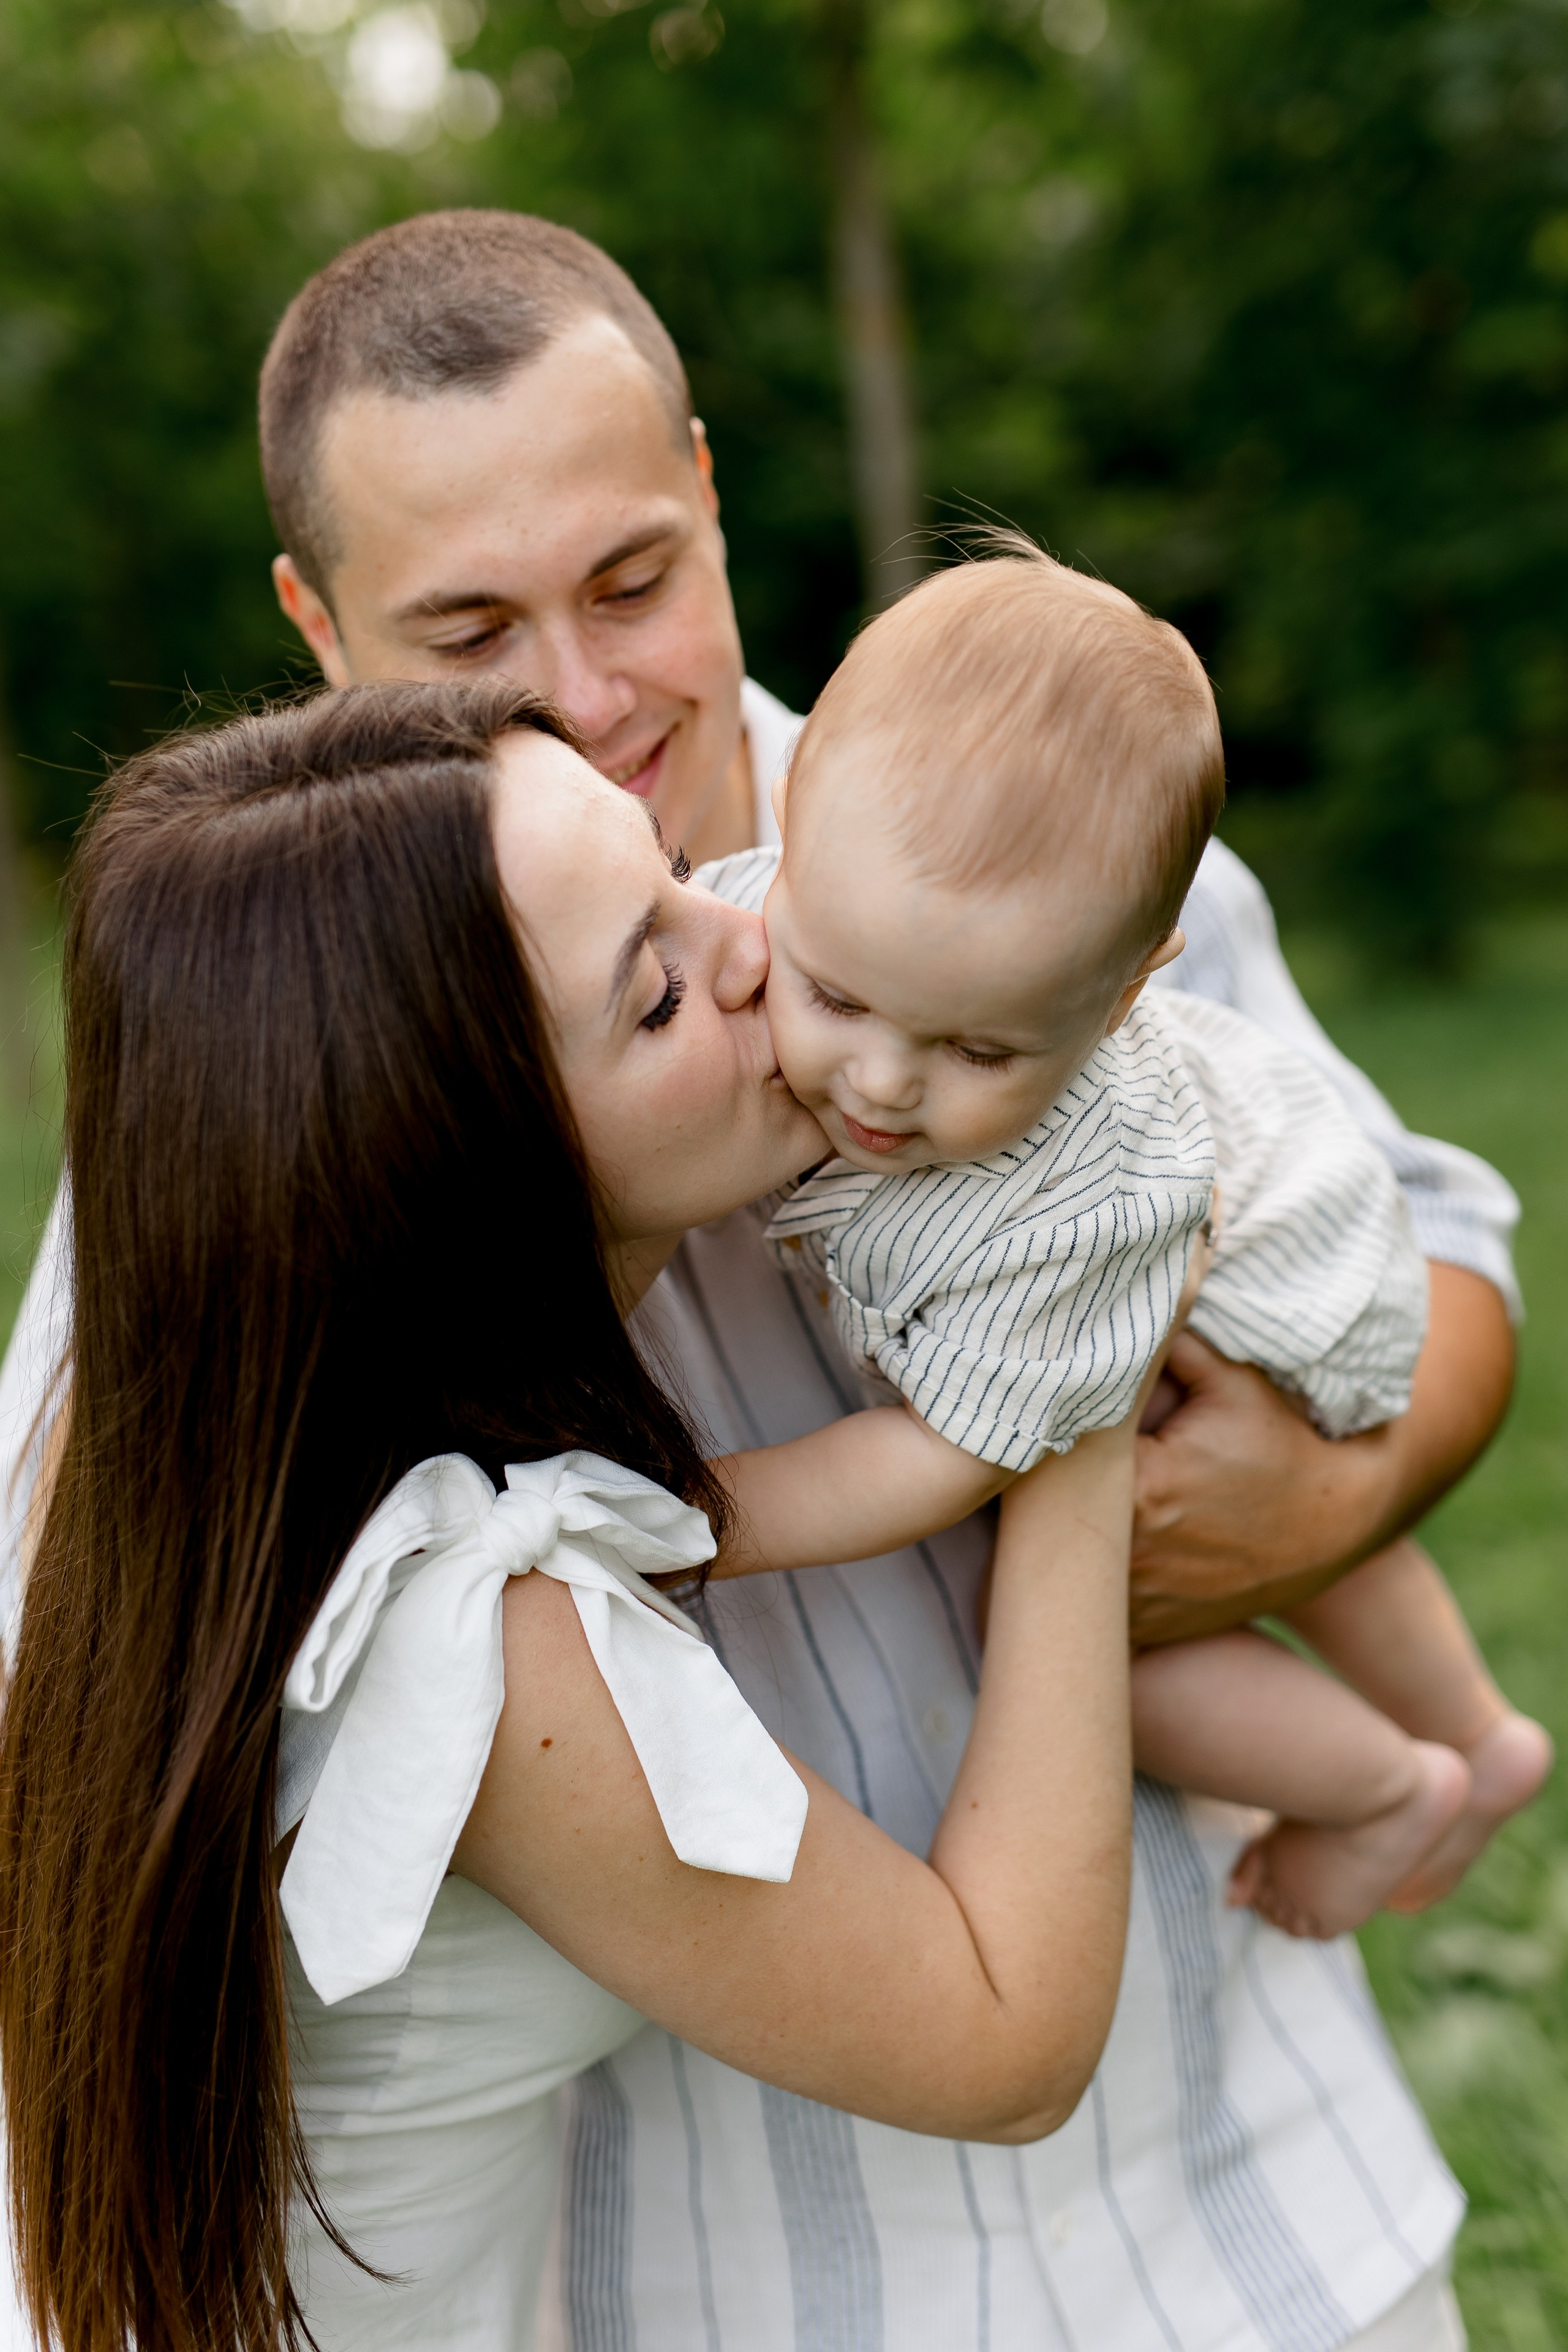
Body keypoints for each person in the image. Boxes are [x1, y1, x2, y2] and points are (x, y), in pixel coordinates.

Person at [0, 209, 1520, 2348]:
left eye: (634, 578)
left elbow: (1432, 1256)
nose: (596, 694)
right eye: (472, 630)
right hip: (751, 2276)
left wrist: (1315, 1497)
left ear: (709, 492)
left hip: (1251, 2209)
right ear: (319, 630)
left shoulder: (1051, 832)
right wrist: (1060, 1434)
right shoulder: (270, 1146)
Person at [0, 682, 1149, 2352]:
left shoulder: (156, 1449)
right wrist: (1070, 1401)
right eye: (661, 989)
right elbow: (1005, 2037)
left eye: (678, 865)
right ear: (453, 1166)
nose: (753, 937)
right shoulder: (478, 1640)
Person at [696, 546, 1549, 1942]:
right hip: (1262, 1190)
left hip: (1273, 1257)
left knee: (1086, 1639)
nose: (882, 1085)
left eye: (977, 1045)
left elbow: (933, 1459)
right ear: (788, 838)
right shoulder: (761, 900)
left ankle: (1382, 1786)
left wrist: (703, 1512)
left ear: (1122, 989)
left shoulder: (1066, 1199)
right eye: (833, 994)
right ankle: (1472, 1723)